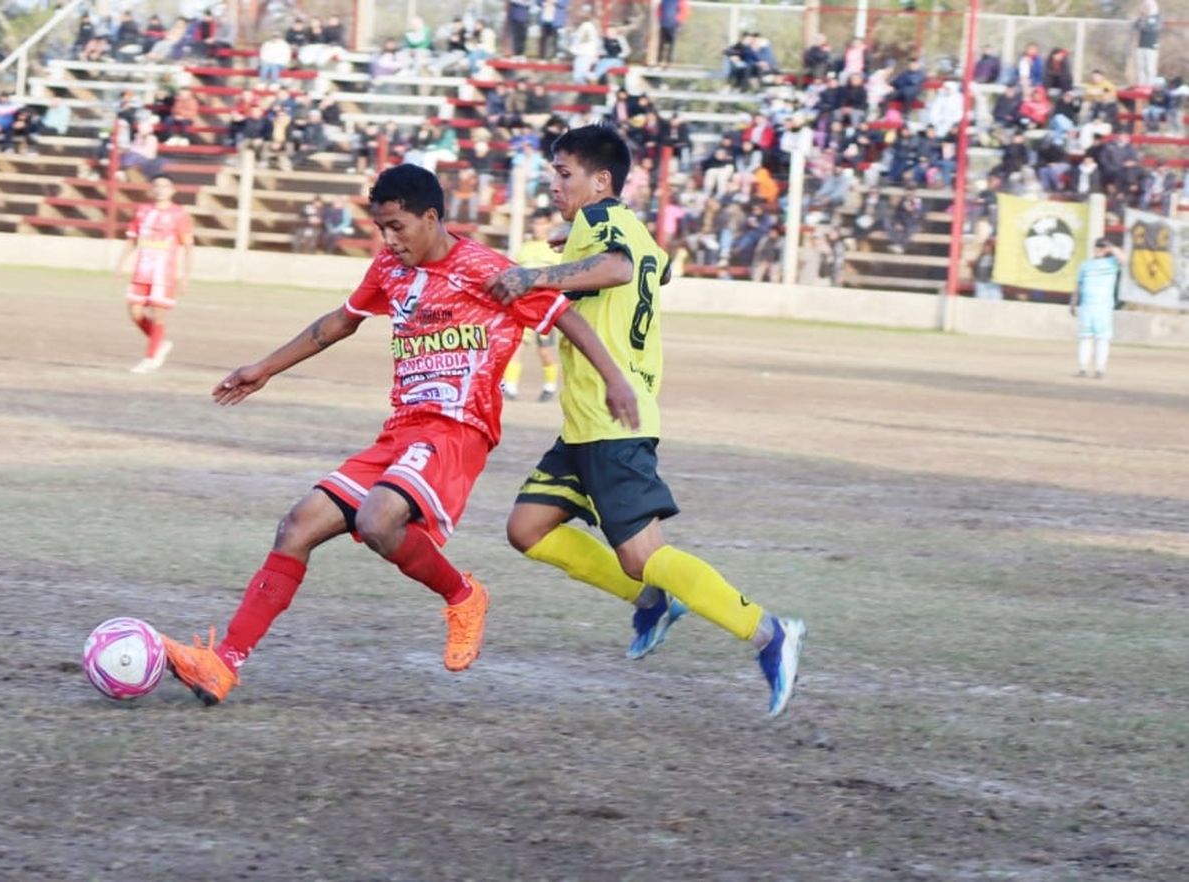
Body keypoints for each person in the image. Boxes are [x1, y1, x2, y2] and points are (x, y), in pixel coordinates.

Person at [157, 164, 638, 705]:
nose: (389, 240)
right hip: (402, 432)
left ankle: (464, 596)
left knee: (379, 518)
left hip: (458, 430)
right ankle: (223, 665)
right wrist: (264, 368)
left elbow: (564, 318)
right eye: (381, 228)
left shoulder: (487, 270)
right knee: (296, 526)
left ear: (431, 218)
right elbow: (341, 321)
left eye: (398, 227)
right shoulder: (390, 268)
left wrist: (615, 381)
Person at [484, 125, 807, 717]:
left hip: (615, 421)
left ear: (599, 180)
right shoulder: (625, 225)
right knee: (527, 528)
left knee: (641, 551)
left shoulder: (604, 223)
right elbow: (655, 268)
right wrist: (569, 246)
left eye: (564, 174)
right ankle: (653, 600)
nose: (553, 184)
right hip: (587, 423)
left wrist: (536, 273)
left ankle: (768, 632)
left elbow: (618, 269)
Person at [116, 174, 193, 374]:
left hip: (164, 273)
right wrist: (121, 263)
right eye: (157, 186)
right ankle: (160, 343)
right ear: (151, 190)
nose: (160, 190)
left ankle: (150, 358)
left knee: (159, 316)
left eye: (165, 186)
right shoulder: (142, 211)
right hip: (142, 270)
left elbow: (188, 246)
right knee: (135, 313)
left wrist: (185, 275)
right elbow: (132, 240)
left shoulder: (179, 214)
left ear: (172, 191)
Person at [502, 210, 565, 402]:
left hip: (545, 308)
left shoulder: (556, 249)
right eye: (536, 224)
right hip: (523, 306)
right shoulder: (525, 248)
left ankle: (549, 386)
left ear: (549, 225)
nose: (538, 227)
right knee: (516, 347)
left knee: (545, 351)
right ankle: (510, 388)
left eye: (542, 223)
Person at [1071, 238, 1122, 379]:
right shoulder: (1085, 265)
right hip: (1086, 307)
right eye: (1097, 247)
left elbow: (1124, 259)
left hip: (1103, 308)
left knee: (1102, 339)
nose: (1099, 249)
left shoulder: (1112, 263)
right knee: (1085, 337)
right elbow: (1078, 285)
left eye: (1102, 247)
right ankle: (1083, 368)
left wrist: (1111, 247)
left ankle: (1100, 369)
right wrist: (1073, 303)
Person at [1133, 0, 1161, 86]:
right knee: (1140, 67)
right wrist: (1142, 20)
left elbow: (1152, 28)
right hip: (1141, 45)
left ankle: (1149, 86)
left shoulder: (1157, 17)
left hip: (1151, 46)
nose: (1147, 8)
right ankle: (1141, 85)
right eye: (1145, 6)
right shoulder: (1142, 17)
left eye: (1149, 6)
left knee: (1149, 67)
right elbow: (1135, 26)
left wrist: (1143, 24)